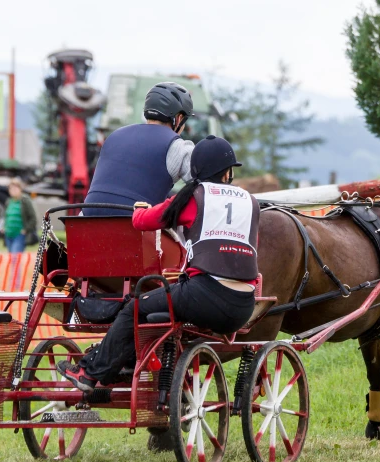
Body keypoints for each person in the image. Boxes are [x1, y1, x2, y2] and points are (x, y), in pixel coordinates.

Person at [58, 136, 259, 391]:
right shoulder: (250, 202)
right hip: (243, 306)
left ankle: (90, 373)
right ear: (227, 172)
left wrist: (140, 209)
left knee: (135, 307)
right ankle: (132, 361)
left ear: (196, 169)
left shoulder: (194, 197)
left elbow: (143, 222)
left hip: (205, 295)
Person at [83, 82, 196, 216]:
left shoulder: (114, 136)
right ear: (179, 118)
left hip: (86, 216)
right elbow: (207, 186)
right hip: (135, 223)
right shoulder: (178, 146)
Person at [4, 178, 37, 253]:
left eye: (15, 188)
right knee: (11, 258)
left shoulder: (25, 200)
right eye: (11, 188)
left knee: (15, 258)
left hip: (19, 235)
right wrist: (4, 227)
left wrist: (25, 230)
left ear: (20, 189)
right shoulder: (9, 201)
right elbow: (6, 216)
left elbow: (33, 218)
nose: (13, 190)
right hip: (9, 234)